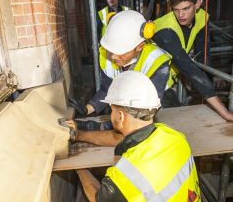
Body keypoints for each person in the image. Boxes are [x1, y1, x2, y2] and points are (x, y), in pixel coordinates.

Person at [76, 71, 201, 202]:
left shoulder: (128, 175)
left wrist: (80, 169)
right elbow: (116, 138)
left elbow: (97, 198)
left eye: (111, 110)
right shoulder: (175, 137)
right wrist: (79, 135)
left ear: (120, 116)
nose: (111, 115)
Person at [65, 10, 170, 130]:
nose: (113, 57)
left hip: (161, 103)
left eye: (120, 52)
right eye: (111, 50)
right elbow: (107, 90)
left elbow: (143, 115)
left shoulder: (156, 62)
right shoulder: (108, 56)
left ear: (140, 46)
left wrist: (93, 126)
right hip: (127, 104)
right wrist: (87, 109)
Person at [153, 0, 233, 120]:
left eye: (186, 9)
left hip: (165, 78)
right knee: (175, 122)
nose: (181, 15)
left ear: (198, 3)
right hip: (149, 82)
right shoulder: (165, 29)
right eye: (176, 10)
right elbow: (188, 67)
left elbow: (204, 56)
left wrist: (207, 92)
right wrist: (223, 111)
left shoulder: (201, 18)